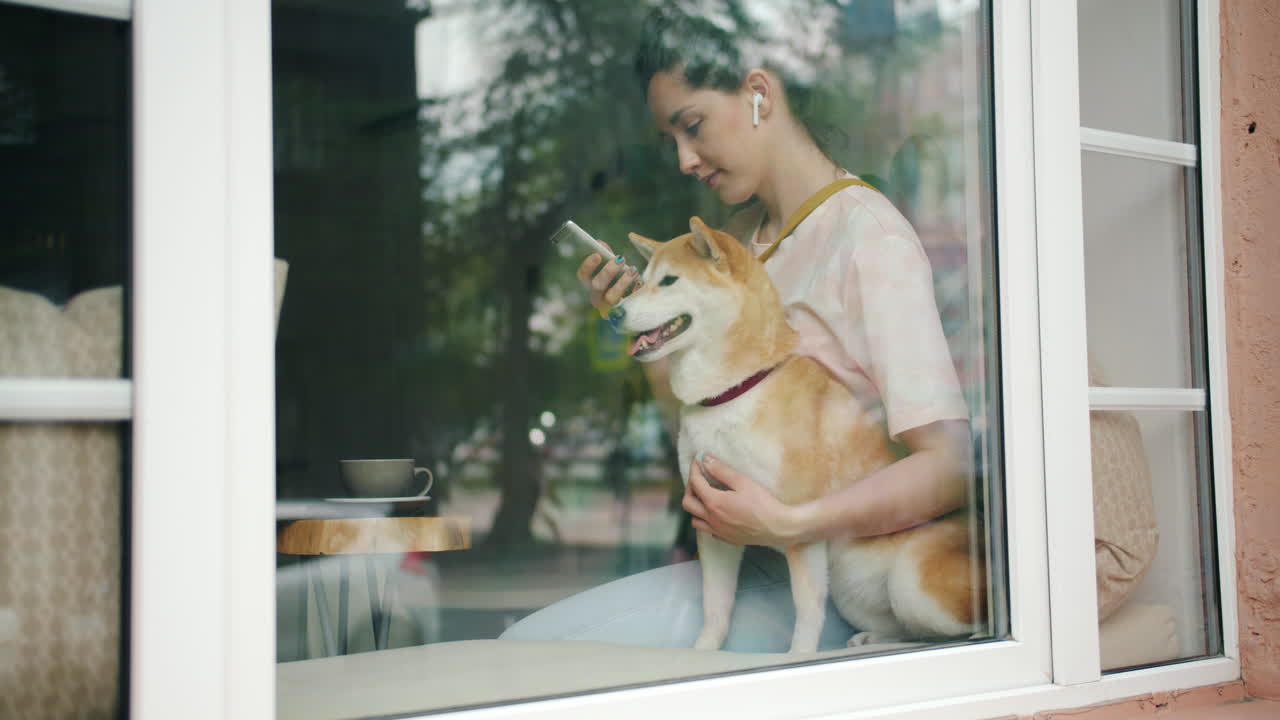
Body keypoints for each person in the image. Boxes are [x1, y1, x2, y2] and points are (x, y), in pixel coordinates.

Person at [500, 8, 974, 652]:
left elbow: (949, 466)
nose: (685, 161)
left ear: (759, 94)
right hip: (752, 568)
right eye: (671, 141)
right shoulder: (743, 251)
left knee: (541, 654)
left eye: (691, 127)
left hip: (842, 584)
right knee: (529, 646)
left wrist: (790, 521)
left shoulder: (868, 239)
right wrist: (645, 332)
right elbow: (703, 442)